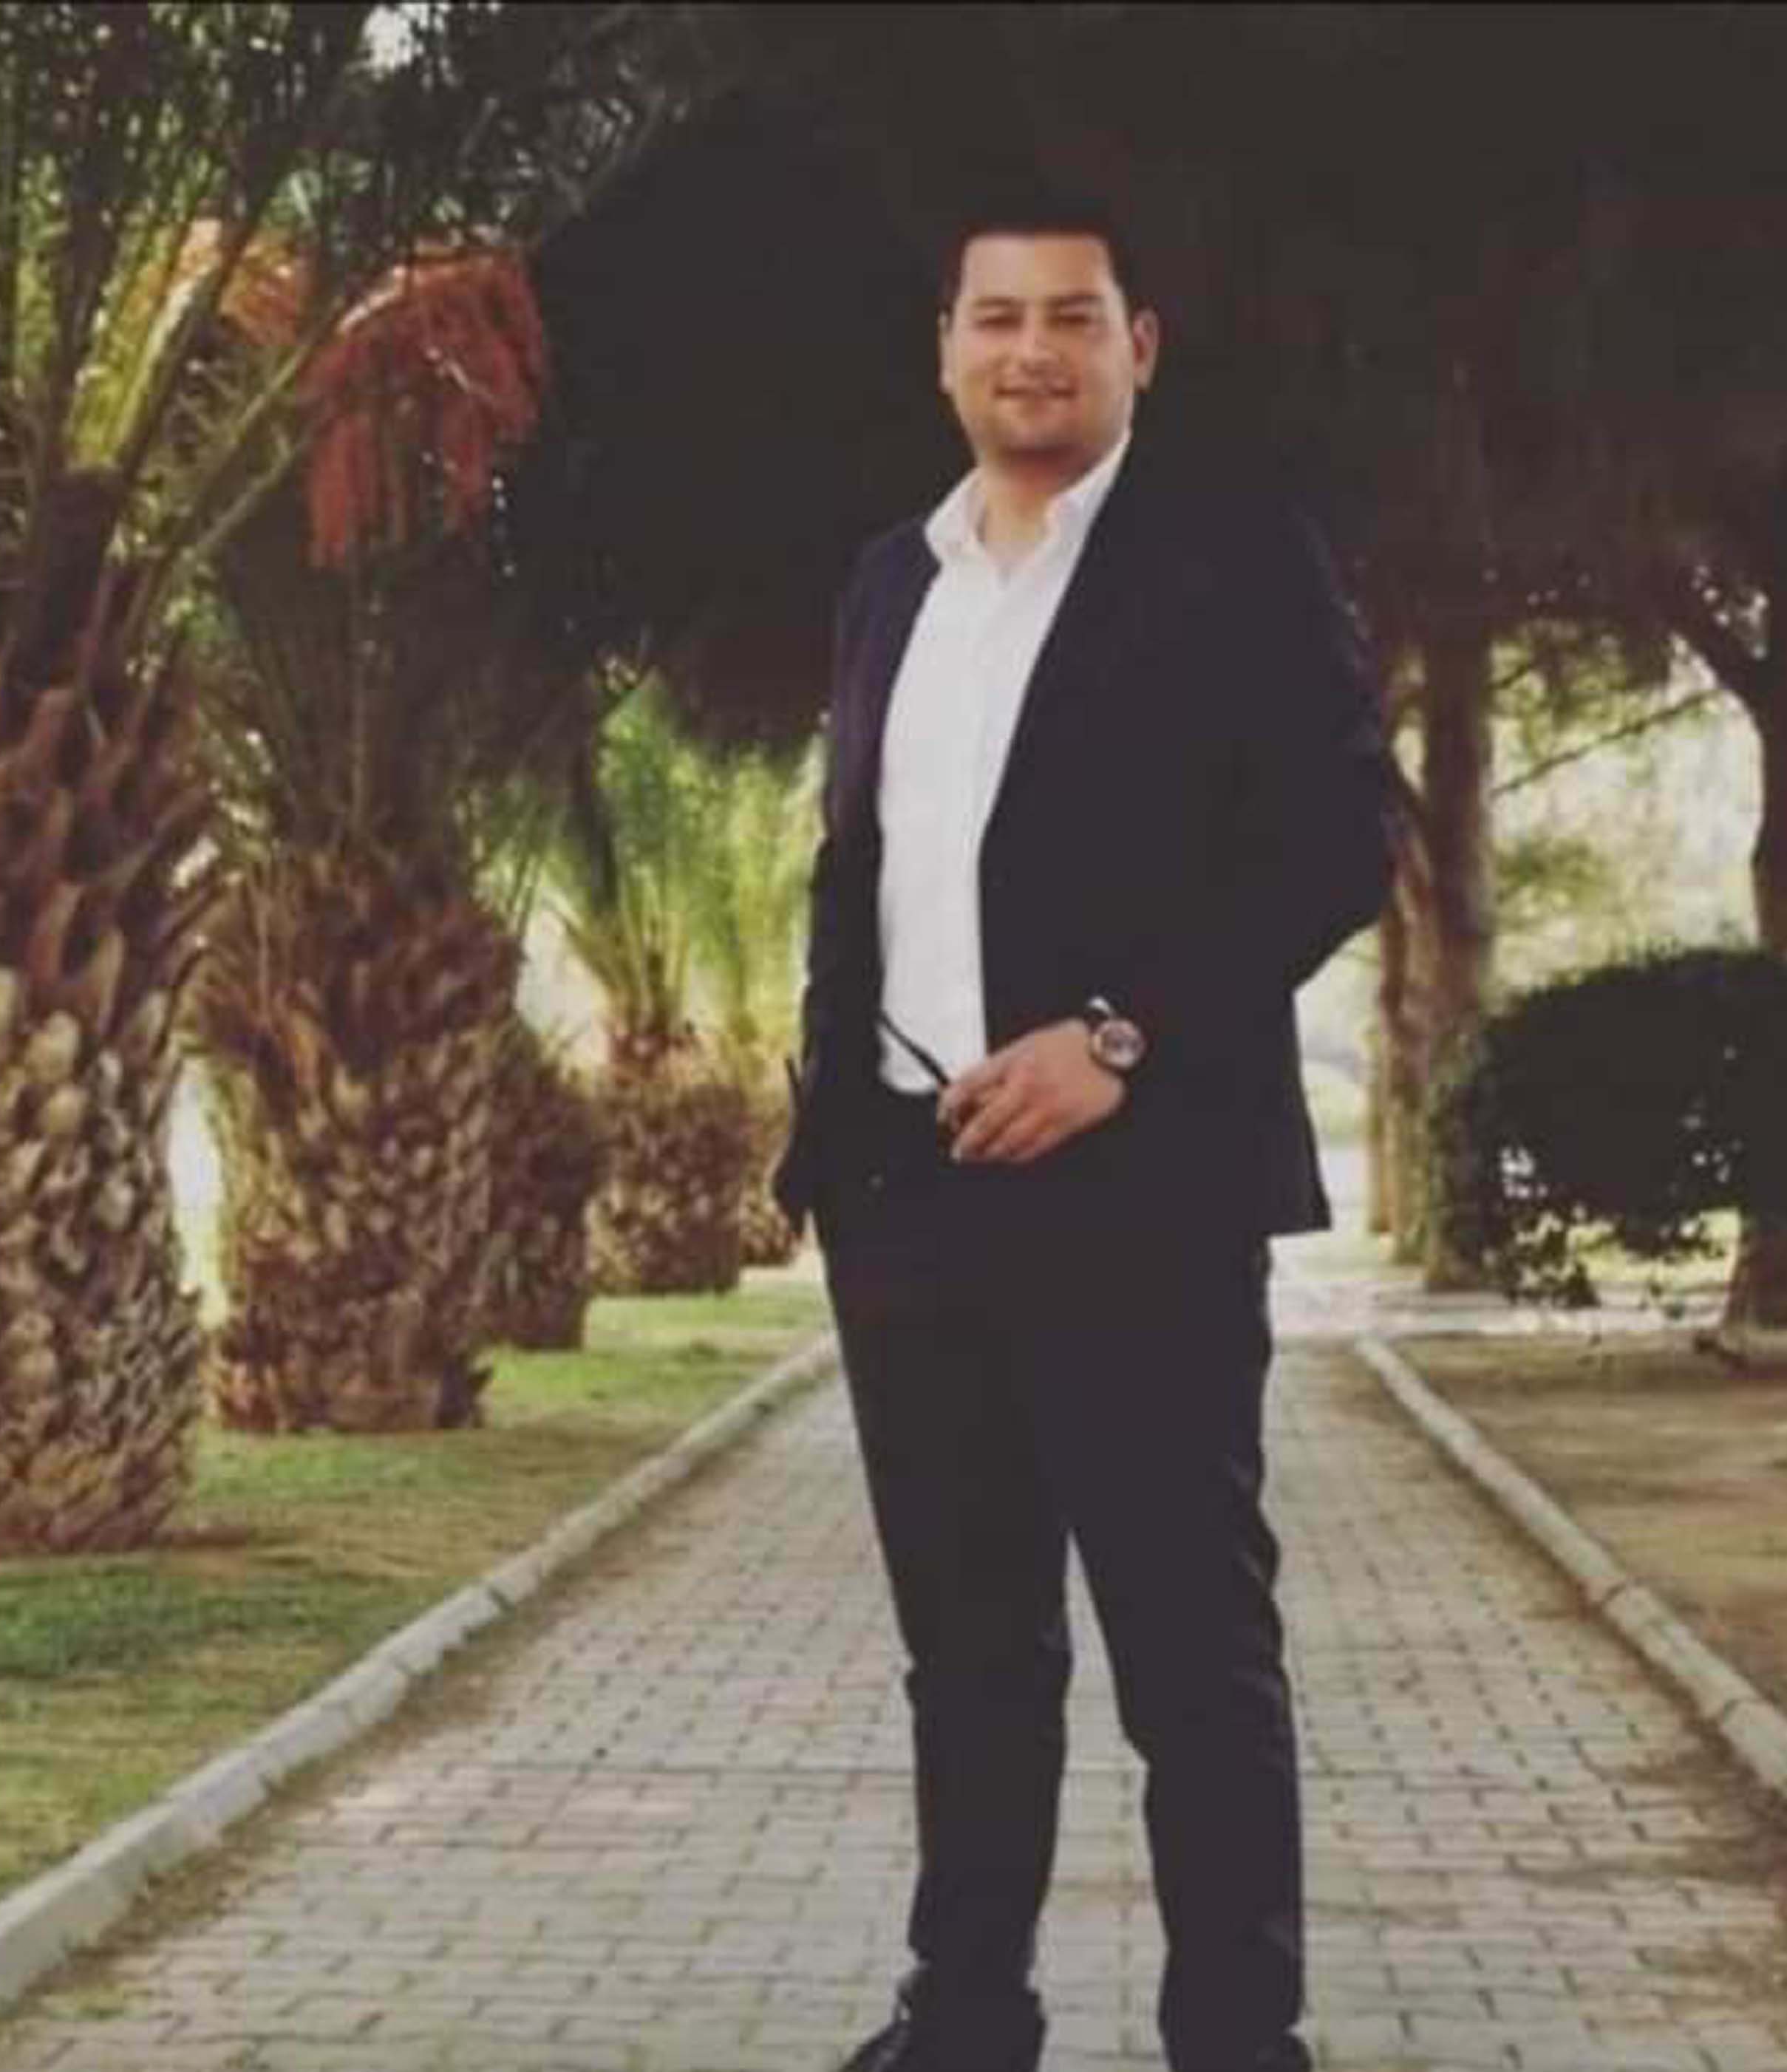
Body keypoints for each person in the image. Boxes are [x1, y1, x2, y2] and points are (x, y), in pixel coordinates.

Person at [772, 193, 1395, 2072]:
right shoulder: (893, 581)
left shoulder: (1231, 557)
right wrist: (829, 1135)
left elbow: (1338, 841)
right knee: (968, 1655)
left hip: (1143, 1196)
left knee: (1190, 1654)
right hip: (907, 1196)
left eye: (1071, 315)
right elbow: (866, 865)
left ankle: (1239, 2038)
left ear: (1141, 344)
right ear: (945, 349)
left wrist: (1122, 1033)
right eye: (996, 317)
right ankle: (965, 2019)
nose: (1030, 350)